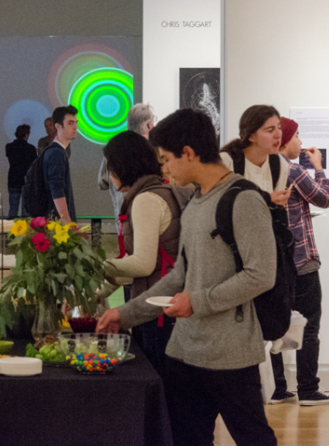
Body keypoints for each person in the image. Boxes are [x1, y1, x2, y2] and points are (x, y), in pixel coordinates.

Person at [98, 109, 278, 446]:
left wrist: (197, 301)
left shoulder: (244, 199)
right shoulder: (195, 201)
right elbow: (181, 275)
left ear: (189, 153)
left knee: (254, 438)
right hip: (185, 351)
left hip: (230, 354)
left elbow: (261, 275)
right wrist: (124, 315)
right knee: (185, 438)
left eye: (166, 159)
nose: (163, 168)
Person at [102, 130, 189, 381]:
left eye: (111, 167)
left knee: (159, 385)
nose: (110, 174)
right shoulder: (161, 191)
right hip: (169, 305)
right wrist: (99, 291)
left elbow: (142, 263)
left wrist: (95, 265)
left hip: (156, 311)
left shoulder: (146, 200)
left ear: (123, 165)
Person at [269, 117, 329, 406]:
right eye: (297, 137)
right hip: (301, 261)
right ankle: (308, 390)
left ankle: (278, 389)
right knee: (309, 326)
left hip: (274, 265)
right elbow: (323, 198)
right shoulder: (293, 169)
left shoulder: (265, 170)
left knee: (274, 326)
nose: (301, 142)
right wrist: (319, 167)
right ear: (285, 141)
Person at [98, 102, 156, 231]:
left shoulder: (113, 148)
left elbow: (102, 182)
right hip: (150, 221)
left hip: (122, 223)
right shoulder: (155, 152)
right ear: (149, 125)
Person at [220, 104, 291, 207]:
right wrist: (267, 199)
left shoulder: (280, 164)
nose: (278, 134)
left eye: (279, 128)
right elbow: (216, 207)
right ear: (252, 137)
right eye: (270, 130)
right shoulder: (226, 162)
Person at [43, 105, 78, 224]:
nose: (75, 127)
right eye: (70, 123)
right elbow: (56, 189)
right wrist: (67, 222)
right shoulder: (56, 152)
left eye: (76, 123)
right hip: (58, 227)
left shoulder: (55, 150)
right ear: (58, 126)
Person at [5, 124, 37, 219]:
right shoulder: (31, 149)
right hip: (26, 182)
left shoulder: (9, 147)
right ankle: (24, 233)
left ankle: (11, 232)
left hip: (13, 180)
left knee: (13, 209)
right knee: (25, 211)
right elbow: (34, 164)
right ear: (26, 135)